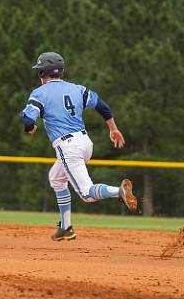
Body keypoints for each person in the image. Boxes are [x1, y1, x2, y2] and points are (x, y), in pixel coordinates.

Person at [20, 52, 137, 241]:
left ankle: (119, 192)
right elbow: (102, 106)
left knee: (86, 194)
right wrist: (113, 129)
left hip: (68, 147)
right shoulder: (77, 89)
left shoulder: (39, 93)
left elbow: (27, 118)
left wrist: (30, 127)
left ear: (42, 72)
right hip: (85, 142)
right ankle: (66, 227)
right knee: (56, 178)